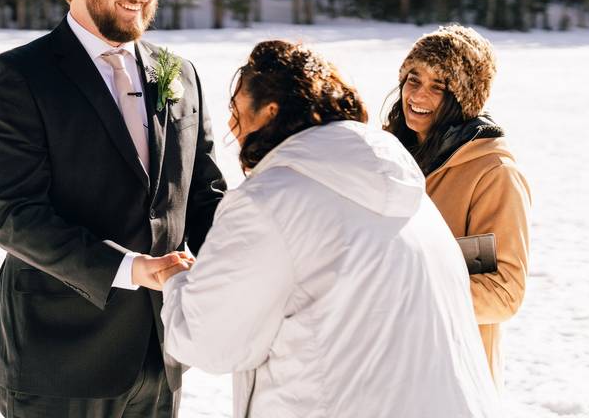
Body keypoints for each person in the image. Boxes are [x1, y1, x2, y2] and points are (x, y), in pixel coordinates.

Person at [158, 40, 501, 418]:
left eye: (236, 110)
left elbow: (209, 341)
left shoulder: (269, 202)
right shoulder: (407, 190)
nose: (230, 126)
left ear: (270, 111)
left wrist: (177, 282)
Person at [0, 0, 226, 418]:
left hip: (161, 354)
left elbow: (202, 196)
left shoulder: (179, 73)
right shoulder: (21, 76)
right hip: (58, 356)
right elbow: (15, 217)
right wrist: (132, 268)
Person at [384, 24, 531, 388]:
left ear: (463, 99)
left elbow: (503, 291)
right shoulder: (388, 156)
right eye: (413, 79)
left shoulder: (493, 174)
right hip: (387, 368)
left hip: (453, 378)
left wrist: (405, 298)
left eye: (439, 87)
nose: (418, 95)